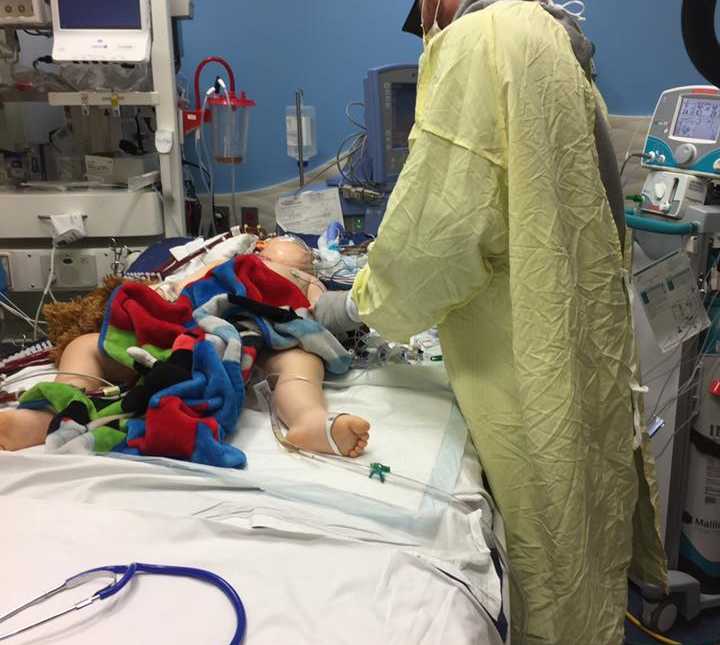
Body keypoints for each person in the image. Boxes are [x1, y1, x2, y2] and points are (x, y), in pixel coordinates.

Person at [314, 1, 668, 643]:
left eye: (424, 10)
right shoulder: (549, 36)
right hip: (571, 340)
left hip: (522, 360)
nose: (426, 24)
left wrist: (343, 305)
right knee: (581, 542)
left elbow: (436, 242)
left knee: (549, 566)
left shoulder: (480, 41)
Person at [0, 237, 370, 458]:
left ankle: (308, 420)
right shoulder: (230, 263)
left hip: (264, 330)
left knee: (301, 362)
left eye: (307, 262)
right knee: (87, 346)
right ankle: (51, 407)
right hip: (189, 325)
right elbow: (180, 290)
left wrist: (357, 304)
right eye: (281, 250)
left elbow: (326, 312)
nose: (299, 257)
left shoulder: (308, 281)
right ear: (259, 249)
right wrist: (158, 302)